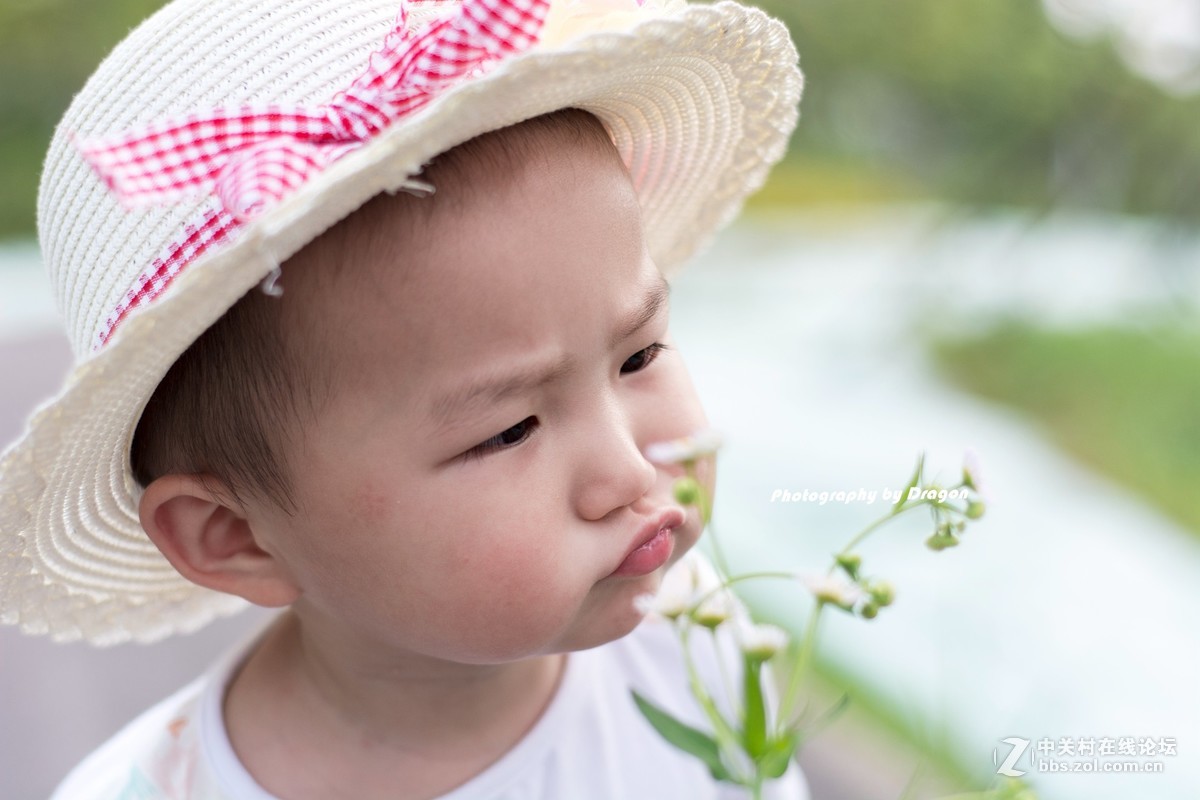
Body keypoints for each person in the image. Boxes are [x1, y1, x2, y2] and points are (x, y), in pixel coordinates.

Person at [0, 0, 804, 797]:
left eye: (641, 355)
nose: (629, 474)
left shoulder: (703, 641)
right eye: (509, 430)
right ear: (236, 534)